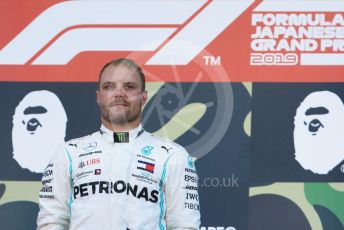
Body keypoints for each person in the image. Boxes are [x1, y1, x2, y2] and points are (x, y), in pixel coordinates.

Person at [36, 58, 201, 230]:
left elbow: (185, 225)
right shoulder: (69, 153)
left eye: (129, 87)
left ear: (144, 97)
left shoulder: (172, 155)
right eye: (109, 86)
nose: (119, 93)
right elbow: (51, 223)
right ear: (98, 97)